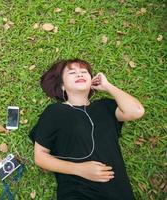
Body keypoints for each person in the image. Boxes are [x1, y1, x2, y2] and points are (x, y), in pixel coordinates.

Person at [29, 59, 145, 200]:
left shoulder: (105, 107)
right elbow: (40, 157)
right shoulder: (55, 111)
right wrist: (80, 169)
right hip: (78, 192)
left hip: (118, 192)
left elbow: (137, 111)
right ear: (63, 86)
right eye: (72, 72)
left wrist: (108, 86)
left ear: (92, 83)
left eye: (84, 72)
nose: (79, 74)